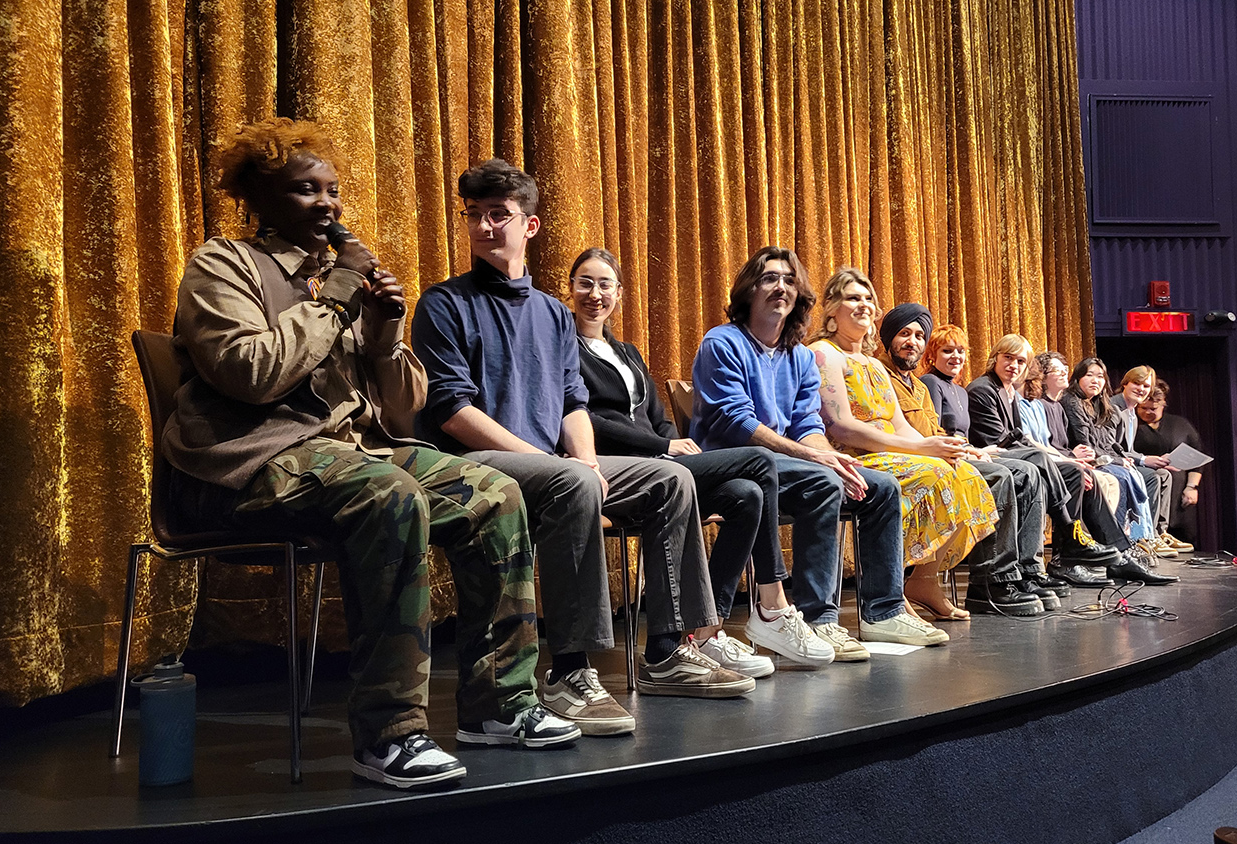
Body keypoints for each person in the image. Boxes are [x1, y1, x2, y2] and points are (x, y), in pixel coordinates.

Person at [163, 118, 578, 789]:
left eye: (332, 191)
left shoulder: (343, 282)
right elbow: (249, 373)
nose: (327, 204)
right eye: (305, 191)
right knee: (389, 495)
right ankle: (390, 735)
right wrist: (333, 300)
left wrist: (385, 333)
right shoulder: (223, 264)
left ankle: (500, 707)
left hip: (350, 451)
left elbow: (401, 409)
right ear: (260, 198)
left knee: (495, 494)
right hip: (247, 462)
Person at [413, 159, 754, 735]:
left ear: (531, 226)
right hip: (477, 466)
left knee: (672, 479)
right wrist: (557, 464)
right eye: (475, 216)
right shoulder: (444, 304)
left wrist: (589, 461)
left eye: (500, 215)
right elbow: (451, 411)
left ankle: (667, 650)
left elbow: (574, 404)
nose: (485, 227)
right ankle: (569, 670)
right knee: (570, 481)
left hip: (556, 461)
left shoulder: (552, 313)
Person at [568, 247, 833, 671]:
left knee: (746, 495)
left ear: (619, 293)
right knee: (759, 463)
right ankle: (773, 605)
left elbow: (656, 418)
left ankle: (706, 632)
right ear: (570, 291)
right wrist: (662, 448)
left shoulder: (628, 353)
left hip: (664, 466)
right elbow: (585, 417)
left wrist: (673, 442)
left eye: (605, 284)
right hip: (616, 466)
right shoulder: (566, 349)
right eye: (585, 283)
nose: (595, 294)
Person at [690, 246, 949, 661]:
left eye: (789, 280)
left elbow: (807, 425)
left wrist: (833, 457)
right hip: (732, 463)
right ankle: (818, 617)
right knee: (823, 480)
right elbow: (735, 423)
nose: (780, 287)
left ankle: (882, 611)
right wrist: (818, 460)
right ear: (748, 290)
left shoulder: (797, 354)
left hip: (785, 465)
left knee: (879, 485)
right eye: (769, 278)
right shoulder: (723, 342)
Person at [807, 275, 999, 620]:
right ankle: (891, 587)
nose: (864, 304)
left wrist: (939, 445)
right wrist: (922, 450)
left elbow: (900, 426)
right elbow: (841, 427)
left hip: (887, 452)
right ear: (832, 310)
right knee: (932, 471)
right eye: (853, 298)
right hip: (848, 457)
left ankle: (924, 580)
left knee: (965, 473)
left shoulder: (873, 366)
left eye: (868, 297)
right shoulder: (823, 354)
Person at [898, 321, 1047, 614]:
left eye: (961, 351)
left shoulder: (960, 391)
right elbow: (934, 431)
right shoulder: (930, 383)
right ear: (932, 355)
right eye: (947, 351)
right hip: (945, 456)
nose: (956, 357)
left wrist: (975, 450)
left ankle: (1025, 570)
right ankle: (991, 580)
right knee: (1005, 475)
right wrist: (969, 451)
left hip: (965, 454)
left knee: (1030, 472)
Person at [962, 335, 1127, 585]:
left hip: (1013, 456)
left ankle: (1067, 562)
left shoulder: (1009, 393)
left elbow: (1022, 440)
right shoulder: (982, 389)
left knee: (1075, 473)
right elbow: (998, 440)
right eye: (1008, 358)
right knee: (1040, 460)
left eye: (1020, 361)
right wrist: (1052, 458)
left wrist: (1066, 462)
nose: (1013, 366)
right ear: (995, 357)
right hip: (989, 456)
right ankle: (1071, 536)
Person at [1059, 357, 1178, 584]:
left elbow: (1107, 443)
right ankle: (1124, 548)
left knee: (1149, 474)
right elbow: (1087, 443)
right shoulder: (1076, 402)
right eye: (1090, 375)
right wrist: (1121, 459)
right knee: (1124, 476)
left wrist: (1119, 458)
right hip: (1076, 461)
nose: (1096, 381)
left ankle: (1132, 546)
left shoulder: (1096, 403)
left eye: (1100, 376)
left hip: (1093, 460)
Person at [1110, 366, 1187, 556]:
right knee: (1152, 477)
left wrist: (1158, 460)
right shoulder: (1113, 408)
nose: (1141, 389)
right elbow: (1110, 447)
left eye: (1146, 385)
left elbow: (1128, 450)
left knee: (1165, 475)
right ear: (1125, 384)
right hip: (1112, 464)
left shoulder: (1131, 412)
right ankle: (1144, 536)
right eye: (1136, 383)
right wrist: (1144, 460)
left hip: (1126, 462)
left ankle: (1159, 532)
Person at [1133, 380, 1203, 545]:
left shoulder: (1180, 424)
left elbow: (1197, 457)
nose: (1148, 412)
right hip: (1146, 494)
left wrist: (1192, 487)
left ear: (1163, 404)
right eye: (1143, 408)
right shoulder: (1130, 424)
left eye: (1154, 409)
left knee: (1184, 542)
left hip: (1178, 498)